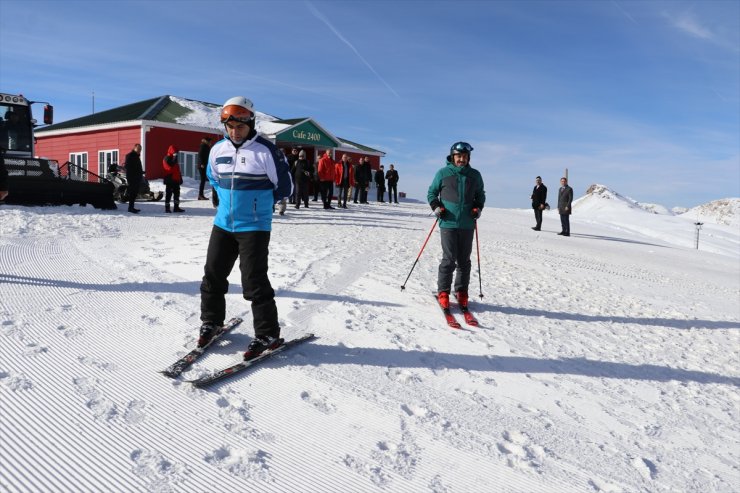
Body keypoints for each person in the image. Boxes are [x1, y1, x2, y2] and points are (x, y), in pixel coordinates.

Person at [198, 96, 292, 359]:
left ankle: (267, 334)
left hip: (254, 226)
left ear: (250, 123)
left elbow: (285, 187)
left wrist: (257, 205)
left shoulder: (266, 151)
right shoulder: (218, 150)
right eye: (230, 127)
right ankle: (212, 322)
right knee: (213, 275)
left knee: (254, 282)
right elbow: (213, 178)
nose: (234, 131)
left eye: (239, 126)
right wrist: (225, 201)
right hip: (223, 224)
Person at [427, 141, 485, 310]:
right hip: (448, 222)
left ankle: (461, 291)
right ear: (453, 156)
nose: (461, 159)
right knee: (449, 259)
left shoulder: (475, 175)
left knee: (464, 261)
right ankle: (443, 291)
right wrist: (436, 207)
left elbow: (480, 195)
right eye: (459, 156)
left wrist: (478, 208)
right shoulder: (443, 173)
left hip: (467, 223)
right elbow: (432, 192)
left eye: (465, 157)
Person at [162, 145, 184, 213]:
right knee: (169, 194)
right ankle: (167, 208)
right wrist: (175, 157)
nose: (177, 154)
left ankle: (176, 207)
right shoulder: (166, 158)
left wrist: (180, 178)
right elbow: (170, 165)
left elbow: (177, 170)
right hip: (170, 179)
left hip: (176, 179)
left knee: (177, 194)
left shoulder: (174, 159)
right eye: (175, 152)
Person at [124, 143, 143, 214]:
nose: (139, 150)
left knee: (134, 193)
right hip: (132, 178)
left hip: (137, 178)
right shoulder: (130, 156)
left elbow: (137, 167)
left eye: (140, 149)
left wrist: (141, 172)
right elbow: (128, 167)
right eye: (138, 149)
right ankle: (130, 208)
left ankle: (131, 207)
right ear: (134, 148)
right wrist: (132, 176)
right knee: (132, 193)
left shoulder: (137, 156)